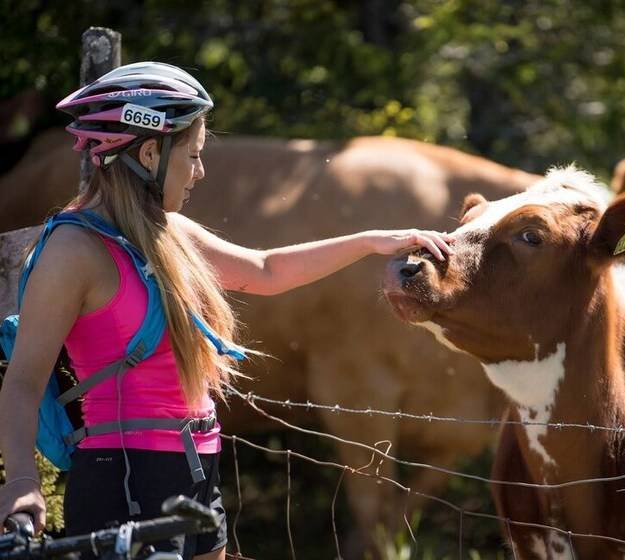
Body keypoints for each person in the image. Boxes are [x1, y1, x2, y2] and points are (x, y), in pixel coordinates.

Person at [0, 61, 453, 560]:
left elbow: (266, 270)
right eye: (192, 155)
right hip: (125, 474)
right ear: (149, 153)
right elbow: (23, 381)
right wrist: (22, 483)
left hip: (197, 464)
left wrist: (370, 242)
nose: (200, 171)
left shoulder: (169, 233)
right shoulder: (73, 250)